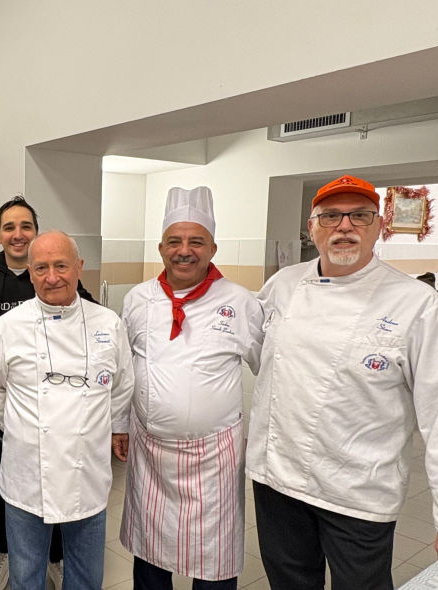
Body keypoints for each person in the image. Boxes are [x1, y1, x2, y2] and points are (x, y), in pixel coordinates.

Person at [247, 175, 438, 590]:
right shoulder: (283, 285)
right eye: (331, 216)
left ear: (379, 227)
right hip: (276, 479)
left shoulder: (417, 305)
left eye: (359, 216)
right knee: (288, 583)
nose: (344, 226)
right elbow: (258, 357)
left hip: (357, 490)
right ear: (312, 229)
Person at [118, 187, 263, 590]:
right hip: (150, 452)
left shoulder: (239, 301)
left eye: (196, 241)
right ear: (161, 248)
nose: (185, 251)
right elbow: (122, 369)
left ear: (212, 247)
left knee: (214, 560)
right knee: (149, 554)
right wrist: (119, 424)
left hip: (214, 456)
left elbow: (269, 371)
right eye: (175, 241)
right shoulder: (137, 300)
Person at [0, 231, 133, 590]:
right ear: (30, 273)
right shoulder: (9, 327)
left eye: (61, 265)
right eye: (42, 268)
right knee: (26, 576)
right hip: (28, 472)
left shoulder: (108, 324)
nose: (52, 277)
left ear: (79, 267)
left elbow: (123, 385)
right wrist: (22, 425)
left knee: (85, 577)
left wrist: (104, 427)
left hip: (87, 474)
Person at [0, 196, 96, 590]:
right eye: (9, 227)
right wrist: (6, 414)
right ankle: (4, 552)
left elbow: (88, 321)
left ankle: (57, 557)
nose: (17, 234)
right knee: (4, 486)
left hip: (63, 414)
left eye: (26, 226)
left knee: (62, 491)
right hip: (13, 410)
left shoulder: (59, 278)